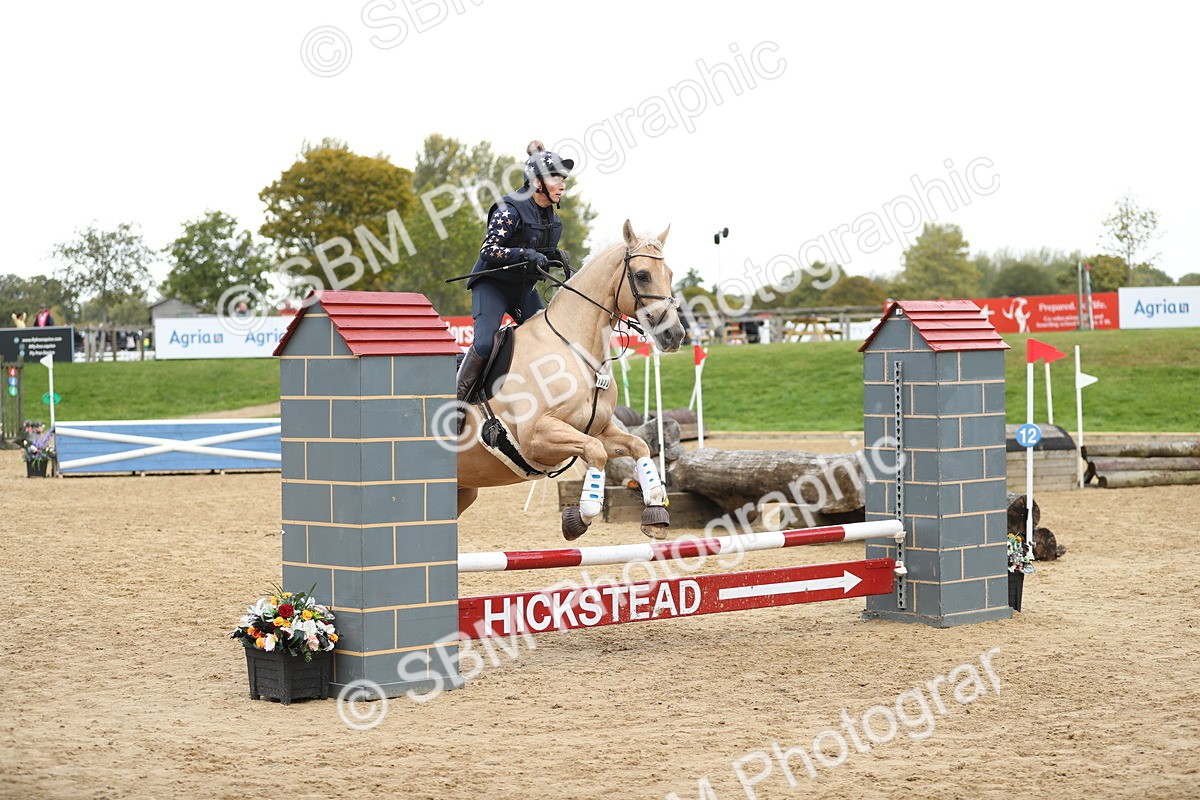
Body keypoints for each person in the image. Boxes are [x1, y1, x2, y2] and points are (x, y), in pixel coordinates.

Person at [456, 139, 574, 411]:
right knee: (485, 344)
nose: (563, 184)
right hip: (493, 286)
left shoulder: (553, 220)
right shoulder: (509, 210)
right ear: (536, 182)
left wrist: (553, 254)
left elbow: (538, 249)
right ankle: (457, 405)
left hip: (523, 289)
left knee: (550, 340)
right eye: (556, 177)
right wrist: (524, 254)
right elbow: (489, 250)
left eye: (563, 178)